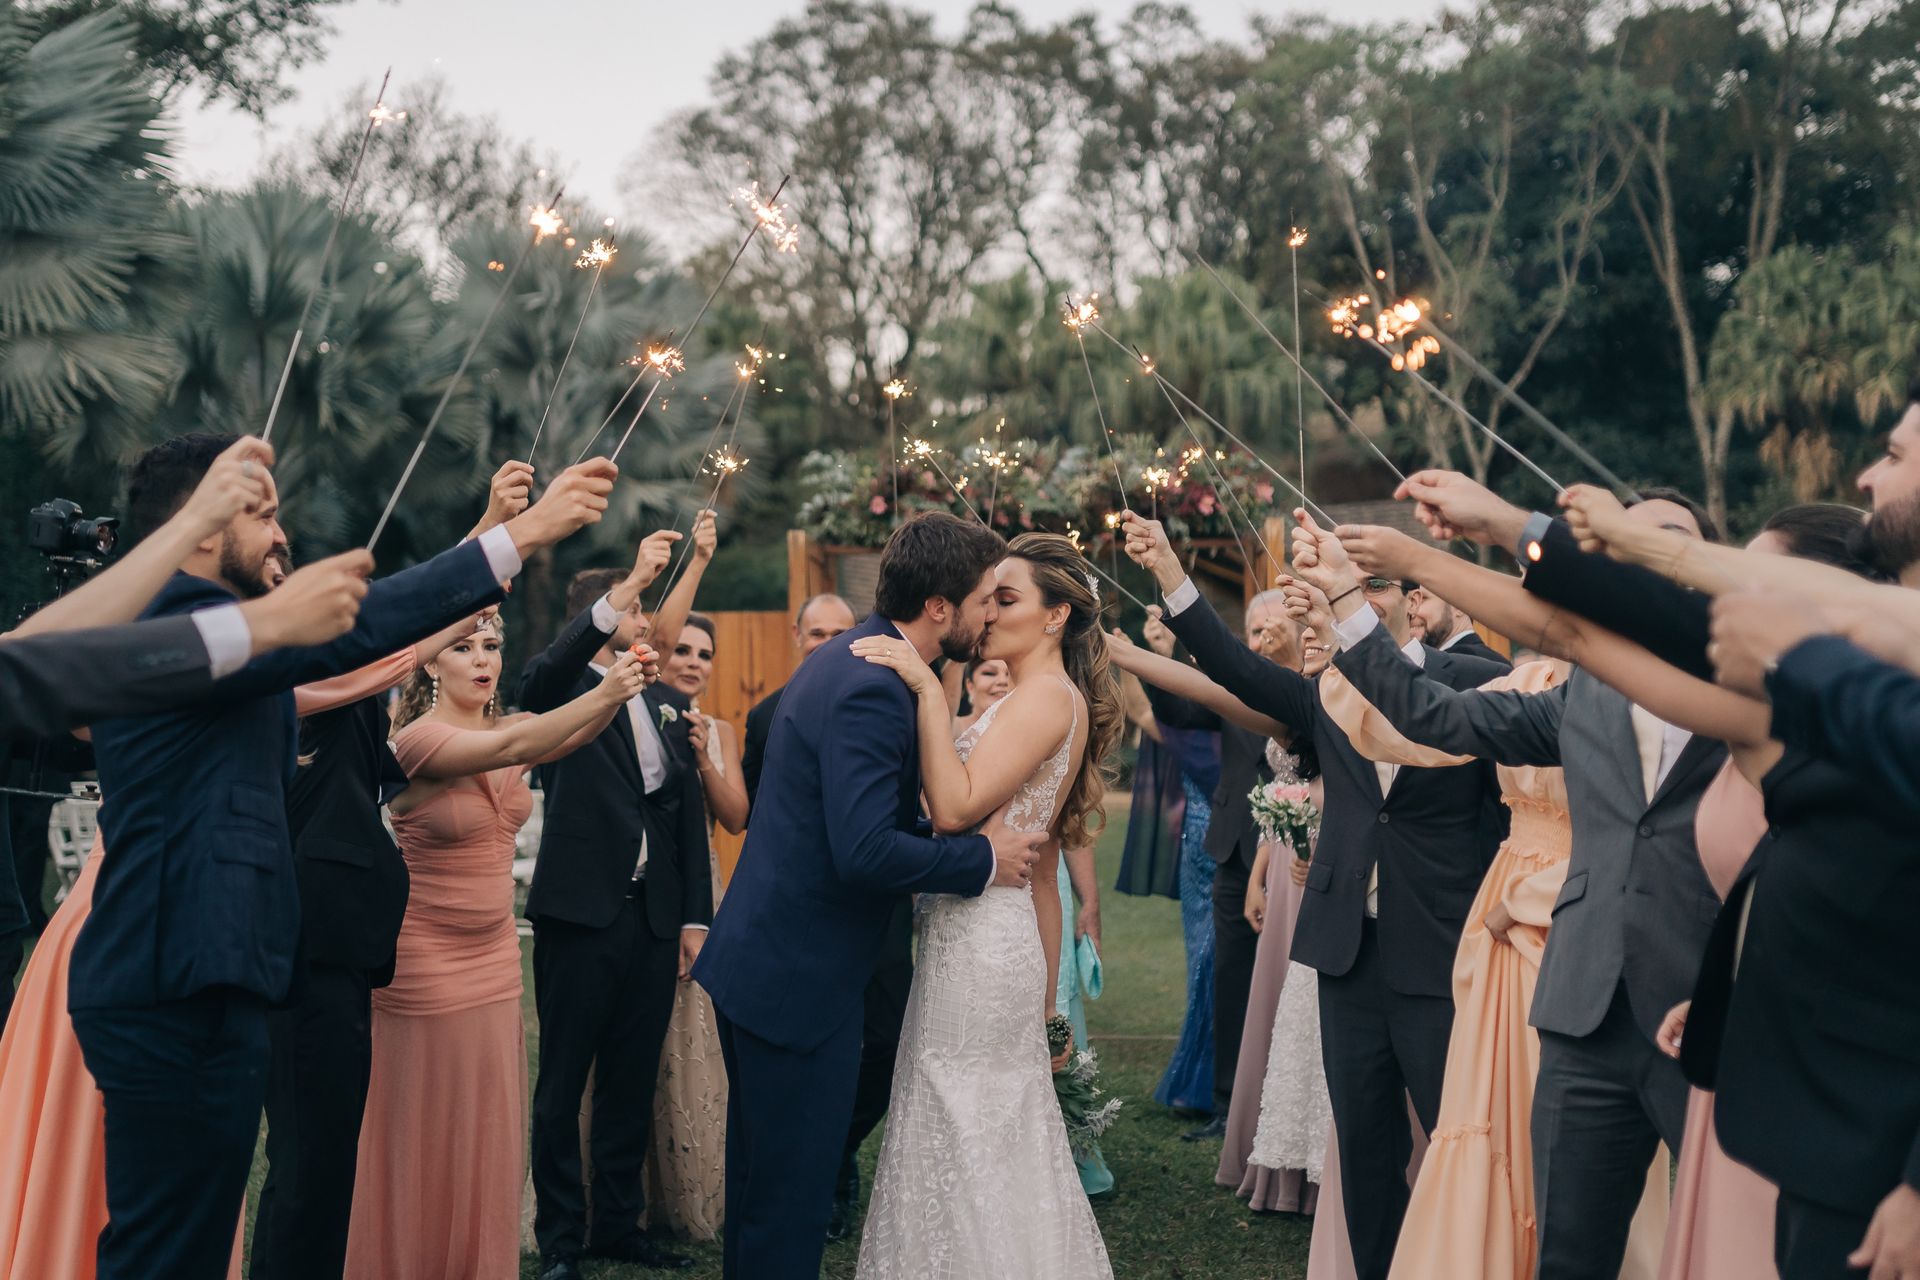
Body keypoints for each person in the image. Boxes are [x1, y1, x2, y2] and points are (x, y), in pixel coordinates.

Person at [66, 434, 612, 1280]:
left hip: (234, 971)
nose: (283, 535)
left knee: (203, 1226)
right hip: (166, 982)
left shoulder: (240, 634)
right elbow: (378, 626)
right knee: (163, 1243)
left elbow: (378, 632)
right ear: (204, 525)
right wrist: (522, 534)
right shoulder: (178, 629)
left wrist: (504, 533)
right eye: (264, 515)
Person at [1300, 487, 1726, 1280]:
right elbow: (1436, 718)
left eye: (1676, 542)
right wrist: (1353, 610)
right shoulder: (1571, 697)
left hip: (1703, 997)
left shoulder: (1746, 691)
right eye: (1634, 544)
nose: (1656, 559)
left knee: (1726, 1215)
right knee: (1569, 1230)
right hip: (1575, 991)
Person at [1538, 460, 1920, 1280]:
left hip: (1863, 1120)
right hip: (1758, 1063)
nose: (1868, 472)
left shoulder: (1812, 703)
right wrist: (1504, 532)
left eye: (1896, 454)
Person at [1122, 509, 1507, 1280]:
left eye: (1364, 584)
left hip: (1440, 947)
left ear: (1406, 594)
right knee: (1365, 1150)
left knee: (1459, 1141)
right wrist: (1169, 570)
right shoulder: (1323, 693)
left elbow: (1499, 815)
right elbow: (1231, 666)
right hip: (1346, 949)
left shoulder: (1476, 680)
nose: (1346, 593)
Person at [693, 512, 1045, 1280]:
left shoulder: (853, 661)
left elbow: (861, 819)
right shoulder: (871, 688)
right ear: (942, 607)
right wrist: (979, 859)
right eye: (986, 599)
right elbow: (863, 852)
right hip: (796, 979)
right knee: (788, 1204)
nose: (992, 614)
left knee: (762, 1194)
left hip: (767, 963)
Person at [253, 462, 536, 1280]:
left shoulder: (335, 676)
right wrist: (498, 537)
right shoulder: (288, 667)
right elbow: (399, 634)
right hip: (306, 940)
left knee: (324, 1160)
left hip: (343, 946)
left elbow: (403, 626)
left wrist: (486, 523)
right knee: (306, 1166)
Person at [343, 619, 651, 1279]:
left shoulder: (508, 725)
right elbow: (521, 739)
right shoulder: (418, 740)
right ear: (431, 666)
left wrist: (618, 695)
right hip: (426, 958)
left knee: (485, 1131)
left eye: (490, 647)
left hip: (493, 961)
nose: (481, 661)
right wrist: (606, 692)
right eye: (462, 648)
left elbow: (565, 733)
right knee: (424, 1130)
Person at [850, 531, 1120, 1278]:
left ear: (1056, 615)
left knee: (968, 1119)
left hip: (979, 945)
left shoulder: (1045, 699)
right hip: (978, 935)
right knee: (963, 1114)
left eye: (1007, 598)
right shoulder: (1026, 701)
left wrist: (924, 688)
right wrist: (1046, 1000)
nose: (989, 612)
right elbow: (1036, 874)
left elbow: (954, 808)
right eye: (987, 597)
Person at [520, 520, 717, 1280]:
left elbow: (685, 819)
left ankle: (619, 1227)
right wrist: (624, 589)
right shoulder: (561, 688)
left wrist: (693, 919)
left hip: (652, 918)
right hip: (579, 913)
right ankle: (562, 1240)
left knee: (632, 1078)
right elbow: (544, 672)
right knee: (563, 1083)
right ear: (598, 617)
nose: (650, 624)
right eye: (636, 611)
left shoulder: (665, 702)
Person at [1138, 590, 1284, 1139]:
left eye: (1271, 628)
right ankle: (1227, 1105)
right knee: (1229, 977)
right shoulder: (1234, 686)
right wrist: (1164, 656)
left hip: (1293, 852)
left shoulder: (1310, 684)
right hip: (1231, 846)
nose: (1260, 639)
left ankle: (1281, 1101)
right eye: (1252, 630)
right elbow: (1178, 709)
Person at [645, 610, 746, 1242]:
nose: (692, 662)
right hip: (642, 887)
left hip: (700, 896)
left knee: (689, 1034)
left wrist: (706, 752)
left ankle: (685, 1192)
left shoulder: (723, 729)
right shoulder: (633, 712)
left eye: (704, 654)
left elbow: (736, 817)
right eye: (681, 649)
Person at [740, 592, 858, 808]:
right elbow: (751, 805)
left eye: (839, 635)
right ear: (797, 635)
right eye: (817, 634)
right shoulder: (764, 716)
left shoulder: (878, 702)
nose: (827, 644)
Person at [1406, 583, 1504, 664]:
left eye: (1423, 599)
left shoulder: (1474, 665)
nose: (1410, 610)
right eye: (1410, 600)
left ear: (1459, 605)